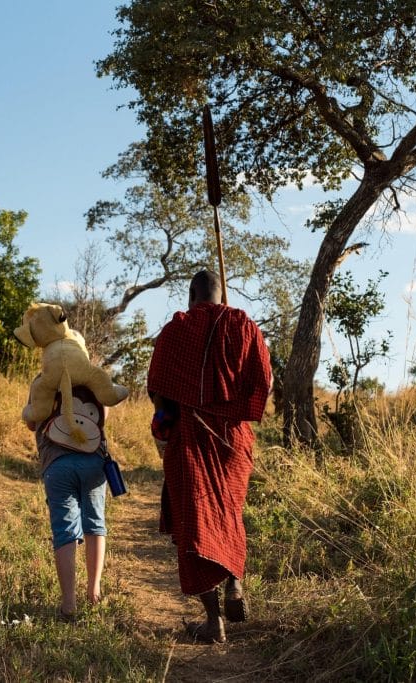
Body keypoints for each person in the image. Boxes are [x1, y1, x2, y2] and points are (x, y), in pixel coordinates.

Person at [147, 270, 272, 643]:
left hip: (190, 438)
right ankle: (235, 584)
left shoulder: (175, 331)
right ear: (222, 295)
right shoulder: (244, 325)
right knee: (229, 514)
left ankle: (213, 621)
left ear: (191, 294)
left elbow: (158, 391)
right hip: (234, 440)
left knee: (194, 526)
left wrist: (176, 415)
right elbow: (263, 383)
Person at [25, 384, 110, 621]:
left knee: (65, 532)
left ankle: (69, 605)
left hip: (56, 462)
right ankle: (94, 593)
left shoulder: (44, 378)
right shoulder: (93, 377)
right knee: (95, 524)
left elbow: (32, 421)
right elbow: (104, 416)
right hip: (93, 460)